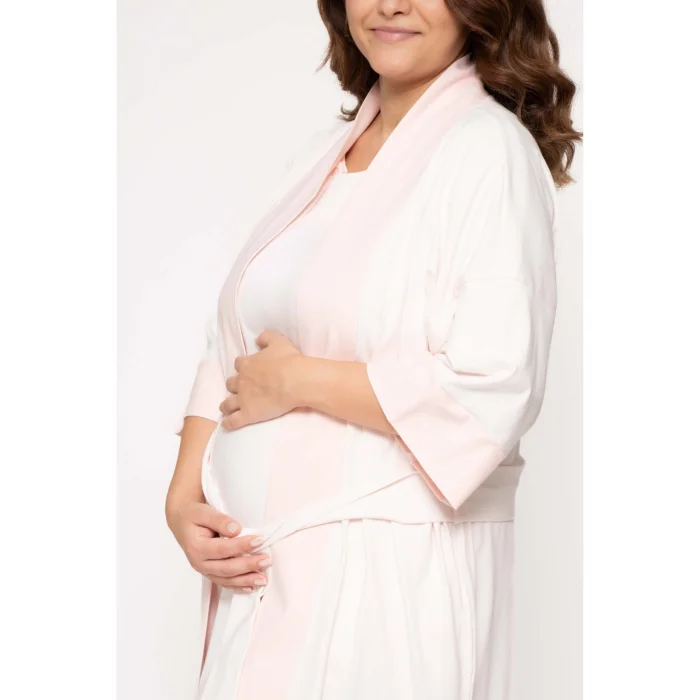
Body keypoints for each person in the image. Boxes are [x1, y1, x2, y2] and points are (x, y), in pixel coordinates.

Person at [166, 1, 581, 698]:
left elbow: (493, 383)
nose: (391, 4)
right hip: (264, 577)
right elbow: (230, 337)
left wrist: (300, 381)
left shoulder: (489, 153)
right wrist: (183, 498)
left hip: (386, 583)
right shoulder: (320, 159)